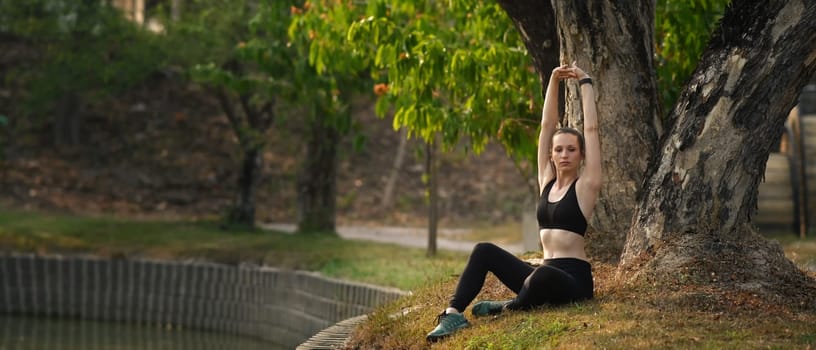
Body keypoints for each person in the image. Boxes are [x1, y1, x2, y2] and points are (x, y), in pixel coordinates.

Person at [426, 62, 601, 342]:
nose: (564, 154)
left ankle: (511, 306)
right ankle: (453, 315)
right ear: (552, 155)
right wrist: (554, 80)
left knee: (542, 276)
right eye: (558, 149)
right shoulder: (546, 181)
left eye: (571, 149)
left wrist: (586, 82)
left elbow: (591, 130)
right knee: (484, 250)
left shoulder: (586, 186)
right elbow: (547, 126)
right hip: (542, 273)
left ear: (581, 155)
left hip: (572, 281)